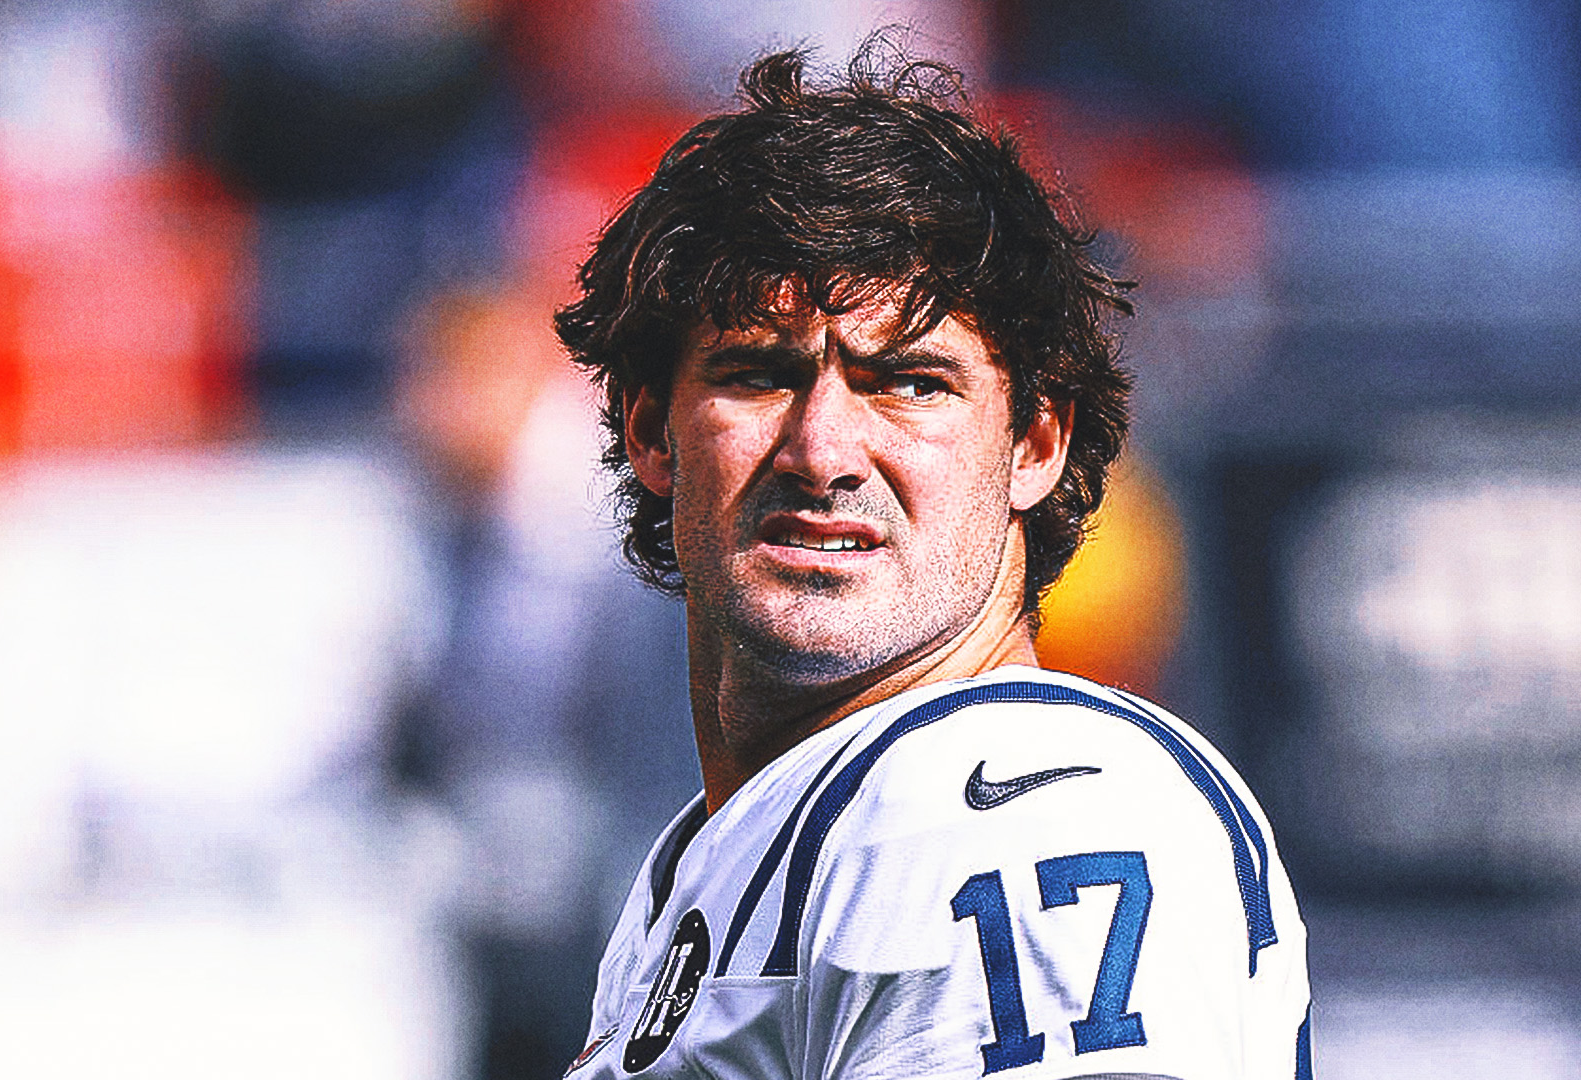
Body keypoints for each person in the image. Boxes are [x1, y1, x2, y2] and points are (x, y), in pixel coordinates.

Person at [552, 44, 1311, 1080]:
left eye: (910, 383)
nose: (823, 450)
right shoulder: (751, 837)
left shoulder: (1010, 810)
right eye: (759, 374)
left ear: (1035, 444)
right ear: (650, 430)